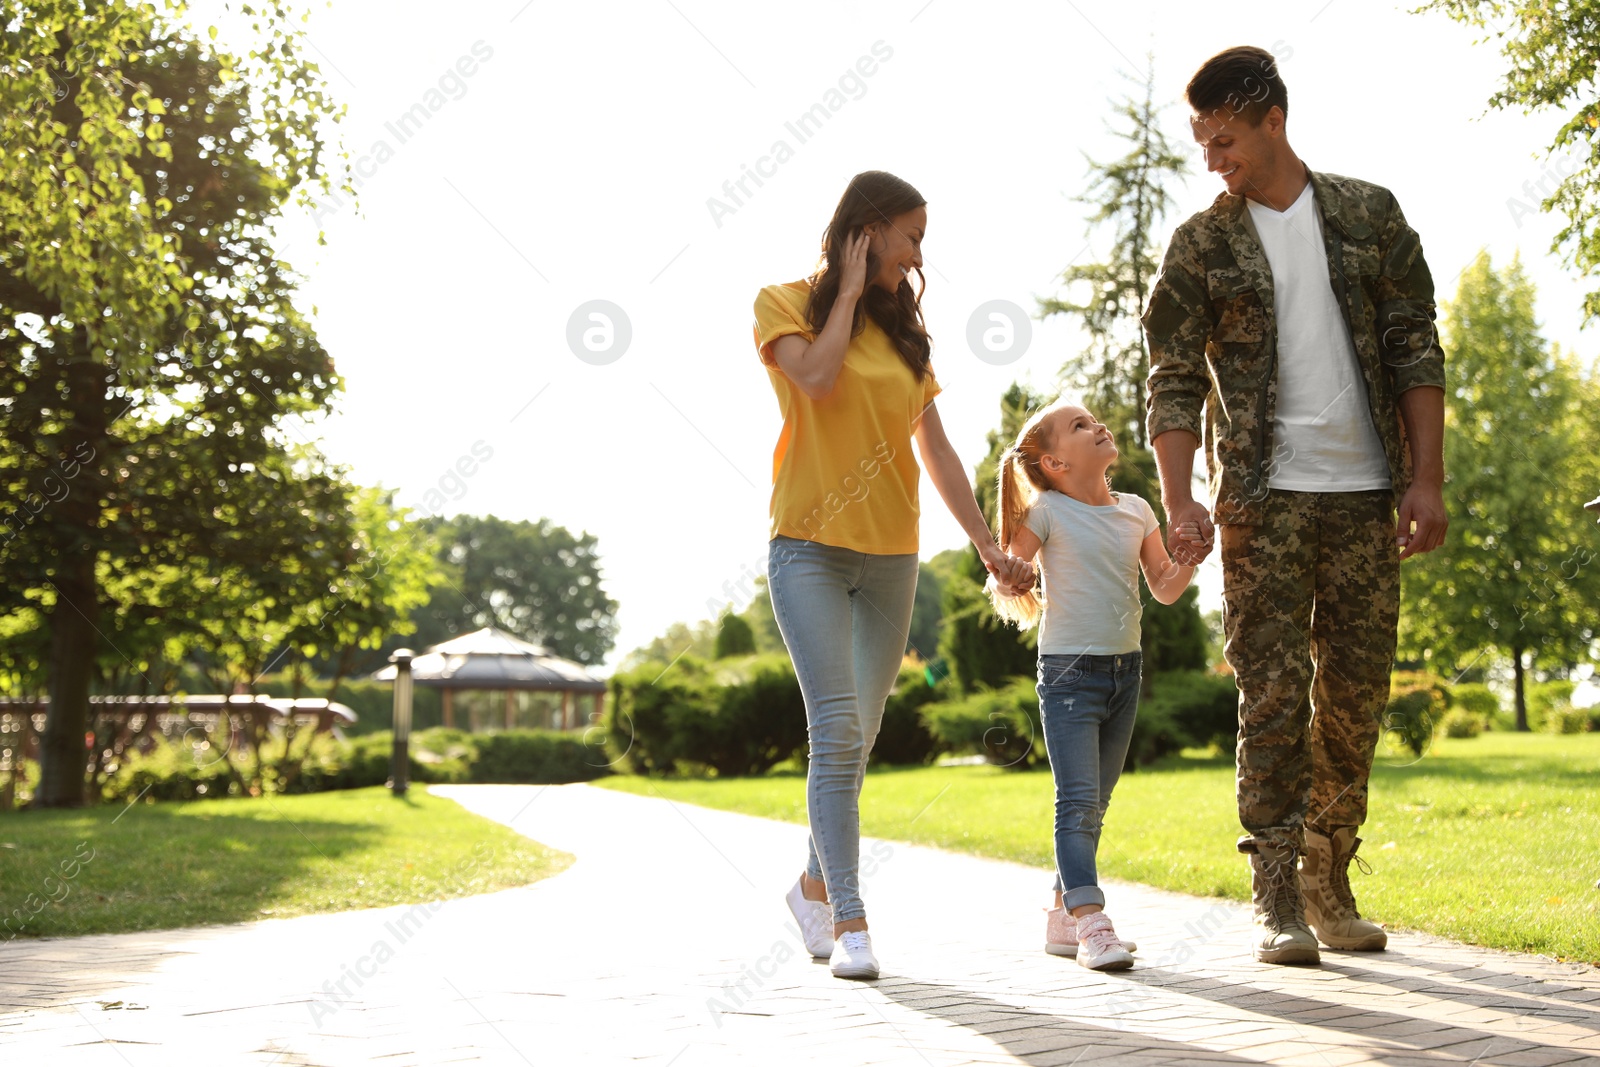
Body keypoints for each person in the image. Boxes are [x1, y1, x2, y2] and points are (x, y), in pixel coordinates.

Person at [1142, 46, 1448, 965]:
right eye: (1201, 144)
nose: (1213, 159)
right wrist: (1179, 495)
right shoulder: (1202, 244)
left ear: (1272, 117)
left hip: (1364, 496)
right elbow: (1170, 377)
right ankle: (1274, 891)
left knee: (1354, 695)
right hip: (1259, 502)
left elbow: (1415, 351)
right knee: (1271, 694)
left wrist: (1426, 478)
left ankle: (1329, 870)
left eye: (1224, 138)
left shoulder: (1368, 214)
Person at [752, 170, 1035, 980]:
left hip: (892, 555)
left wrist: (986, 541)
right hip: (806, 543)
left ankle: (810, 883)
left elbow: (937, 449)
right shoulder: (782, 303)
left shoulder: (908, 336)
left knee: (859, 736)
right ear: (866, 229)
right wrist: (843, 292)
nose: (917, 257)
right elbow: (814, 377)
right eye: (909, 236)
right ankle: (850, 919)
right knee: (837, 729)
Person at [988, 398, 1203, 971]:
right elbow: (1012, 575)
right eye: (1079, 426)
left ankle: (1062, 916)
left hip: (1124, 672)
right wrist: (1016, 573)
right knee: (1078, 802)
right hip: (1068, 676)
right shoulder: (1048, 513)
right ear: (1055, 463)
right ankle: (1091, 919)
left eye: (1092, 419)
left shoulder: (1136, 509)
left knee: (1094, 804)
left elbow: (1163, 586)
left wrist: (1189, 557)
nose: (1097, 425)